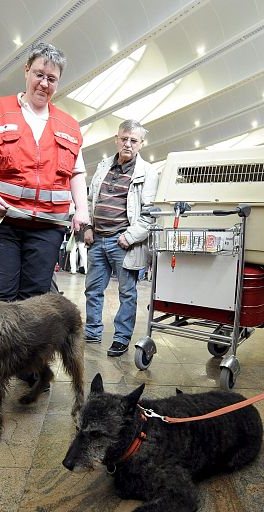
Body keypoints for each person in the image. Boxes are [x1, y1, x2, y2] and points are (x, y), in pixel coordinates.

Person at [0, 42, 89, 302]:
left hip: (48, 228)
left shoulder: (69, 124)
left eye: (52, 79)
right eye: (39, 75)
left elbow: (76, 172)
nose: (44, 83)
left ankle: (27, 346)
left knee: (34, 303)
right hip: (2, 222)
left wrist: (83, 209)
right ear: (27, 71)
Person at [83, 120, 159, 357]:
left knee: (127, 293)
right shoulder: (104, 165)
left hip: (123, 242)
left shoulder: (147, 172)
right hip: (97, 238)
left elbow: (150, 214)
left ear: (141, 144)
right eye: (124, 139)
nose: (127, 144)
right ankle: (92, 331)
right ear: (116, 139)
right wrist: (87, 227)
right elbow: (89, 199)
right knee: (93, 289)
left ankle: (121, 338)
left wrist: (129, 236)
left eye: (133, 140)